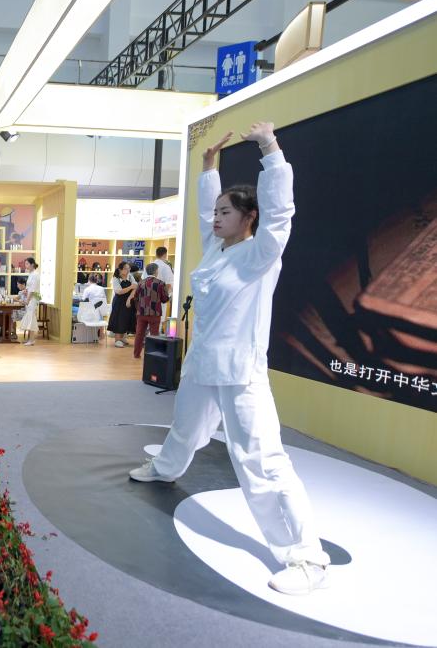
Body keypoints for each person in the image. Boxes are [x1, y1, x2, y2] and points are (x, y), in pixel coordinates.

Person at [129, 122, 331, 595]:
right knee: (185, 428)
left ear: (249, 217)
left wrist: (270, 148)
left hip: (241, 372)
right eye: (216, 211)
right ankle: (165, 468)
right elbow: (205, 211)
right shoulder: (217, 250)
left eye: (226, 212)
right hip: (203, 364)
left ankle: (306, 557)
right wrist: (207, 164)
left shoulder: (261, 254)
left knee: (260, 461)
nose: (216, 218)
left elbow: (281, 214)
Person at [132, 263, 169, 359]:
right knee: (154, 335)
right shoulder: (160, 283)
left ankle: (136, 354)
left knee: (139, 334)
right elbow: (165, 299)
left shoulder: (141, 283)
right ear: (156, 271)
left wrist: (138, 308)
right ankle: (152, 355)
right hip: (155, 313)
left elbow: (135, 297)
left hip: (141, 312)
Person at [107, 261, 138, 348]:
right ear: (120, 269)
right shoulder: (115, 278)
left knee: (127, 318)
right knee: (119, 319)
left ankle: (123, 338)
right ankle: (117, 340)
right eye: (126, 269)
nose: (128, 270)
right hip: (119, 302)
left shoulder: (130, 276)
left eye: (129, 268)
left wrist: (129, 298)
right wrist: (130, 287)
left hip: (129, 301)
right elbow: (119, 291)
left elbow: (135, 287)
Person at [18, 257, 41, 345]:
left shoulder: (35, 274)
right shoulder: (31, 274)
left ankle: (31, 340)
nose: (25, 265)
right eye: (25, 264)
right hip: (30, 298)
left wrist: (27, 300)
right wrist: (25, 291)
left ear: (32, 264)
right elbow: (29, 288)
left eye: (27, 264)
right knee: (29, 318)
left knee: (31, 318)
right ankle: (30, 339)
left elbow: (33, 289)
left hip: (33, 299)